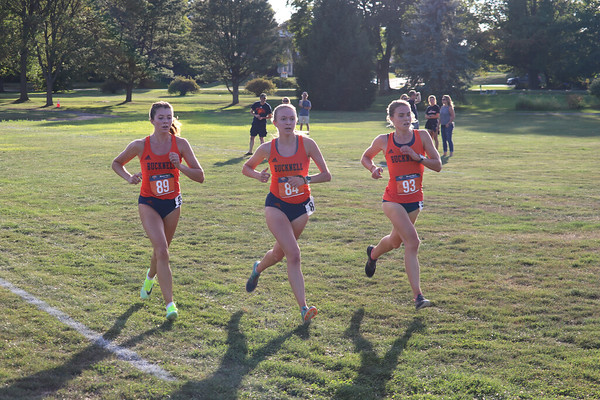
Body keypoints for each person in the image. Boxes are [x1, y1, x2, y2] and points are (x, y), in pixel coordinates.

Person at [112, 101, 205, 321]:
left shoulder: (181, 144)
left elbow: (200, 176)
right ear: (152, 120)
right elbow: (117, 163)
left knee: (160, 251)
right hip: (148, 203)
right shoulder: (140, 145)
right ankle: (170, 305)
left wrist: (179, 165)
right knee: (162, 250)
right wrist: (129, 178)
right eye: (161, 117)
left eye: (169, 117)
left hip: (172, 204)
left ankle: (149, 278)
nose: (165, 121)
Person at [242, 103, 331, 322]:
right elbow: (247, 168)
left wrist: (305, 179)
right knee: (294, 254)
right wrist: (259, 176)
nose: (289, 123)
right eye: (284, 119)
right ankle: (304, 308)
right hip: (277, 206)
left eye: (292, 118)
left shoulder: (308, 144)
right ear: (275, 122)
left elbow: (326, 175)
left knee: (279, 254)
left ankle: (258, 269)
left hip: (301, 207)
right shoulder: (268, 148)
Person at [360, 99, 441, 310]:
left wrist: (417, 157)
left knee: (395, 242)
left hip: (414, 201)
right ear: (391, 119)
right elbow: (366, 157)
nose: (406, 119)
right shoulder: (384, 140)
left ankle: (373, 254)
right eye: (401, 115)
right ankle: (418, 297)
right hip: (392, 201)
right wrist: (373, 170)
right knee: (412, 242)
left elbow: (438, 165)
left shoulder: (422, 136)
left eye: (408, 115)